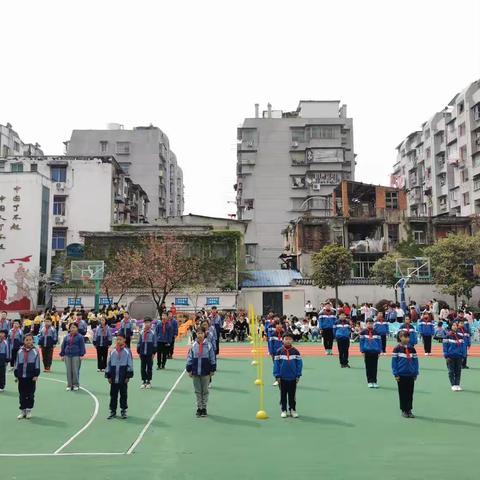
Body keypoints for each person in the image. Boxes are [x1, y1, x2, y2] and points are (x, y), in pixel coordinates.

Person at [186, 327, 216, 417]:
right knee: (198, 391)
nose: (200, 335)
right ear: (196, 334)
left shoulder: (209, 345)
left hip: (205, 372)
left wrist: (212, 369)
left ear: (204, 334)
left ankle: (204, 408)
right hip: (195, 372)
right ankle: (199, 408)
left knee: (205, 391)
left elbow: (212, 358)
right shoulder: (193, 345)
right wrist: (189, 369)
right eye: (198, 333)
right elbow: (189, 358)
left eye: (201, 333)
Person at [273, 332, 303, 418]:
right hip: (282, 378)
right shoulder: (279, 351)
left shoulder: (296, 351)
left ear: (292, 340)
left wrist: (298, 375)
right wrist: (277, 375)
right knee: (283, 395)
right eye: (286, 339)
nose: (288, 341)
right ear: (282, 340)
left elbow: (299, 364)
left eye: (290, 339)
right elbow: (276, 365)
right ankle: (284, 410)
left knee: (292, 395)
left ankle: (292, 410)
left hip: (293, 378)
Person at [106, 333, 134, 420]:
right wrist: (108, 375)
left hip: (123, 377)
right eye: (117, 339)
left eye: (120, 339)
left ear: (124, 340)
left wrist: (128, 376)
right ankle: (113, 411)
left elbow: (130, 364)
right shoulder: (112, 351)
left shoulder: (127, 351)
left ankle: (123, 410)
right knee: (113, 394)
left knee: (123, 394)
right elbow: (109, 364)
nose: (118, 341)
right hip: (114, 377)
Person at [392, 331, 419, 418]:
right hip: (401, 375)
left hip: (410, 374)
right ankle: (403, 410)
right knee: (402, 393)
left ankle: (409, 410)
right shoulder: (396, 349)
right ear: (400, 337)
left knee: (410, 393)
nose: (407, 339)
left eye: (408, 337)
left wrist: (415, 372)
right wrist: (396, 374)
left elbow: (415, 362)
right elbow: (394, 363)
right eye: (405, 337)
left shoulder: (412, 349)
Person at [14, 334, 40, 419]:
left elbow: (37, 364)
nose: (28, 341)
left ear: (33, 341)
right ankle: (23, 410)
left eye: (30, 340)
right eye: (27, 340)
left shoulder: (35, 351)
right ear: (24, 341)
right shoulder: (20, 351)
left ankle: (29, 410)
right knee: (22, 394)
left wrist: (36, 374)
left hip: (31, 377)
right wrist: (16, 374)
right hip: (21, 376)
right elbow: (17, 363)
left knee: (30, 394)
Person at [59, 323, 86, 391]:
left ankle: (76, 384)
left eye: (74, 327)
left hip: (76, 355)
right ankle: (69, 385)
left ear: (77, 328)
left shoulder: (80, 337)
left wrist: (81, 355)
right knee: (68, 371)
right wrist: (62, 354)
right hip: (67, 355)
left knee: (75, 370)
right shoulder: (66, 337)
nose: (72, 329)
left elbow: (82, 346)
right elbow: (63, 346)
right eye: (71, 327)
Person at [443, 321, 465, 391]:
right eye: (453, 325)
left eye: (456, 325)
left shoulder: (460, 336)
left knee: (458, 371)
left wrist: (463, 355)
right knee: (451, 371)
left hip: (458, 356)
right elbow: (445, 347)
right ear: (451, 326)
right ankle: (453, 384)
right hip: (450, 356)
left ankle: (457, 384)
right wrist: (446, 355)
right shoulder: (447, 336)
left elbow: (463, 347)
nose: (455, 326)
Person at [359, 318, 382, 388]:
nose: (370, 325)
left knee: (374, 367)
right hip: (367, 352)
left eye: (371, 323)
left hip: (375, 352)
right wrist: (362, 351)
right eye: (368, 323)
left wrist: (379, 351)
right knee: (368, 367)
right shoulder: (363, 332)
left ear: (373, 324)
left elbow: (379, 343)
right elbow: (361, 343)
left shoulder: (377, 332)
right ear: (366, 324)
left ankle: (374, 381)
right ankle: (369, 381)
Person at [137, 317, 157, 389]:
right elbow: (139, 342)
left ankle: (148, 381)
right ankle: (143, 380)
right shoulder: (141, 332)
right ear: (144, 323)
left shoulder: (153, 332)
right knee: (142, 367)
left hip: (149, 353)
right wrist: (138, 351)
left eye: (148, 322)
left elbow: (155, 343)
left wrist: (153, 353)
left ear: (151, 324)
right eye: (145, 323)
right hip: (142, 353)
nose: (147, 324)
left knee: (149, 367)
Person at [267, 321, 284, 386]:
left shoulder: (284, 334)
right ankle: (277, 380)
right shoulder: (273, 334)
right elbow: (271, 344)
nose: (279, 326)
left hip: (283, 353)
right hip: (275, 353)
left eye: (280, 324)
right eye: (278, 325)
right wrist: (271, 352)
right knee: (276, 366)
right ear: (276, 326)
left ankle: (283, 379)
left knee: (283, 366)